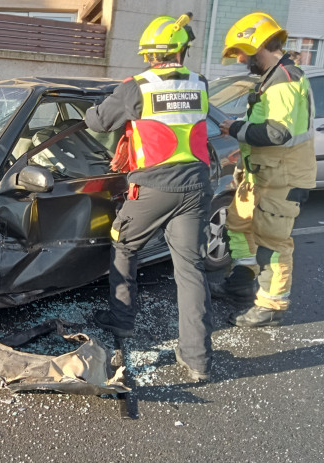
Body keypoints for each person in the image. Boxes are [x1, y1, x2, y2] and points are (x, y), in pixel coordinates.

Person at [85, 13, 213, 382]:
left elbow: (99, 122)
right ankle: (198, 360)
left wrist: (99, 108)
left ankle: (122, 324)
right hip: (195, 187)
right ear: (182, 50)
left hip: (154, 189)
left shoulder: (136, 88)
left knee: (124, 247)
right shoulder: (200, 83)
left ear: (150, 53)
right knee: (190, 271)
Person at [211, 13, 316, 327]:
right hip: (261, 174)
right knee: (238, 223)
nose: (241, 59)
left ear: (259, 46)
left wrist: (236, 129)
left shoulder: (283, 81)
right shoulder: (275, 77)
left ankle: (270, 306)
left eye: (243, 52)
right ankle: (242, 282)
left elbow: (276, 132)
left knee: (272, 242)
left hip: (282, 178)